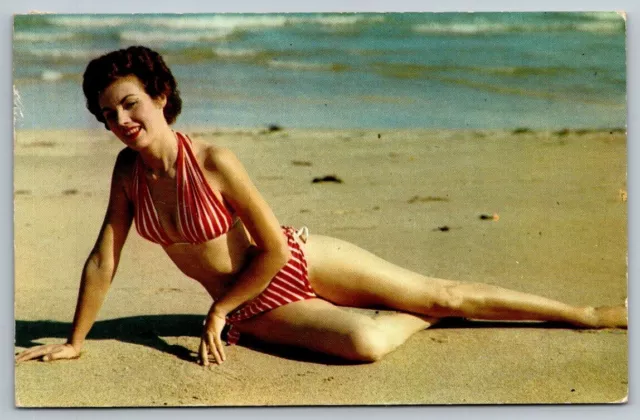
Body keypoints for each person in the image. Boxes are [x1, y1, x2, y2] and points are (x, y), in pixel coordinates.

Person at [16, 46, 627, 366]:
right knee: (367, 344)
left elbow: (275, 247)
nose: (119, 121)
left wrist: (216, 310)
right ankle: (422, 318)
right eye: (107, 113)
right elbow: (104, 258)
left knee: (441, 291)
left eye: (129, 104)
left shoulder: (213, 160)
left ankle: (588, 314)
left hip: (292, 259)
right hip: (253, 306)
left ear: (161, 95)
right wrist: (75, 340)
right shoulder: (129, 173)